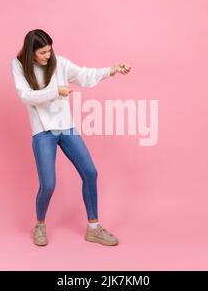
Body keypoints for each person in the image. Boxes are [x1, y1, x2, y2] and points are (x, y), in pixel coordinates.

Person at [11, 29, 131, 246]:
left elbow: (84, 75)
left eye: (49, 51)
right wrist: (56, 91)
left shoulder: (60, 63)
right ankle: (40, 224)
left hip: (66, 128)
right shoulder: (19, 65)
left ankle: (93, 228)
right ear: (31, 52)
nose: (48, 56)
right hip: (43, 131)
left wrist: (111, 70)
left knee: (90, 172)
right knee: (48, 184)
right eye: (42, 53)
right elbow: (26, 96)